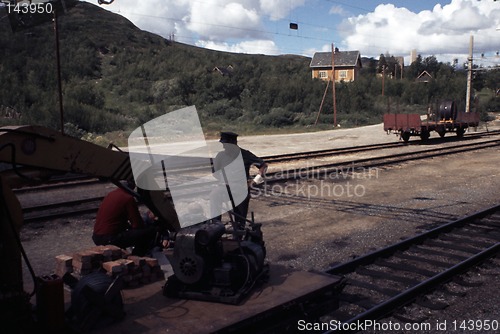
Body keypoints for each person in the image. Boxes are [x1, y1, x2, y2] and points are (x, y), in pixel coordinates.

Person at [211, 131, 268, 225]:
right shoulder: (220, 156)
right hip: (225, 187)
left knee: (240, 220)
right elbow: (215, 172)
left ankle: (239, 232)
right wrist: (223, 181)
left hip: (241, 189)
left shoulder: (245, 154)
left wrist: (254, 181)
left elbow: (263, 166)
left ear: (234, 143)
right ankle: (215, 225)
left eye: (226, 144)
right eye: (223, 144)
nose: (224, 147)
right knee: (214, 195)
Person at [92, 179, 158, 256]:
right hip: (109, 238)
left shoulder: (111, 194)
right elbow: (137, 224)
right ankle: (137, 258)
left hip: (97, 236)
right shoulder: (128, 198)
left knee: (129, 234)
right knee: (149, 232)